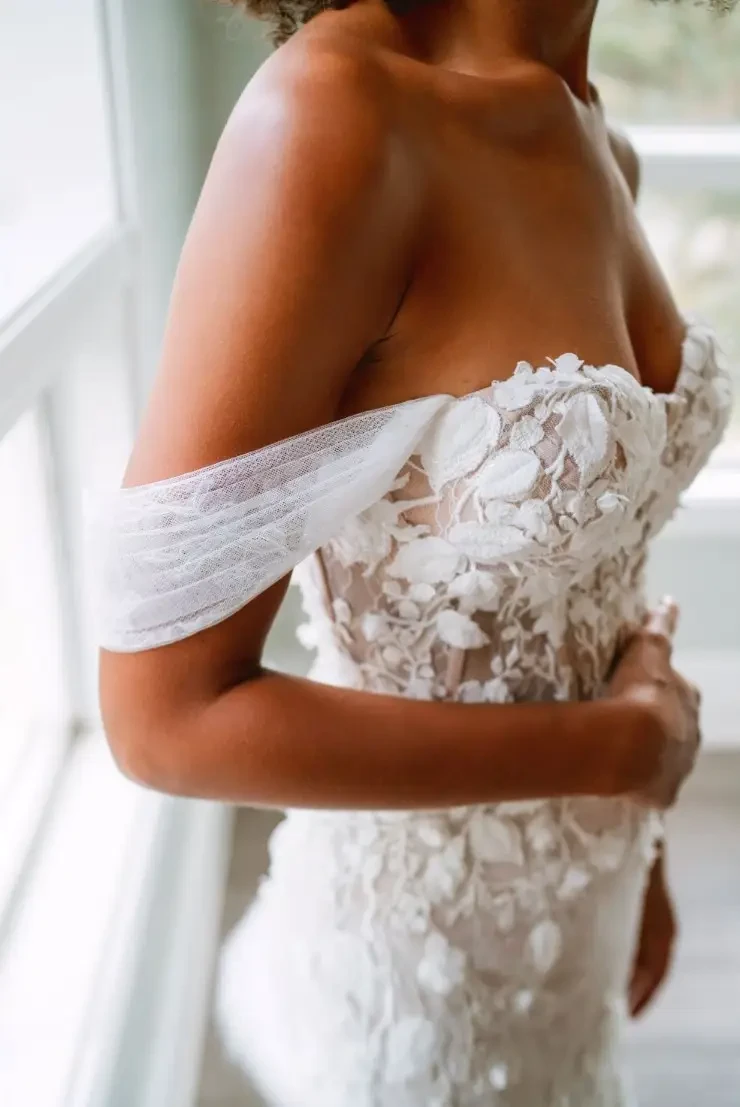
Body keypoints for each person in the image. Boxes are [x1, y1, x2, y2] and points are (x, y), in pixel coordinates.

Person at [92, 0, 734, 1102]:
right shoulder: (335, 119)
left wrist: (641, 832)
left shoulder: (595, 133)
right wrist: (614, 753)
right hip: (414, 996)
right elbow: (164, 720)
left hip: (577, 936)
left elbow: (592, 563)